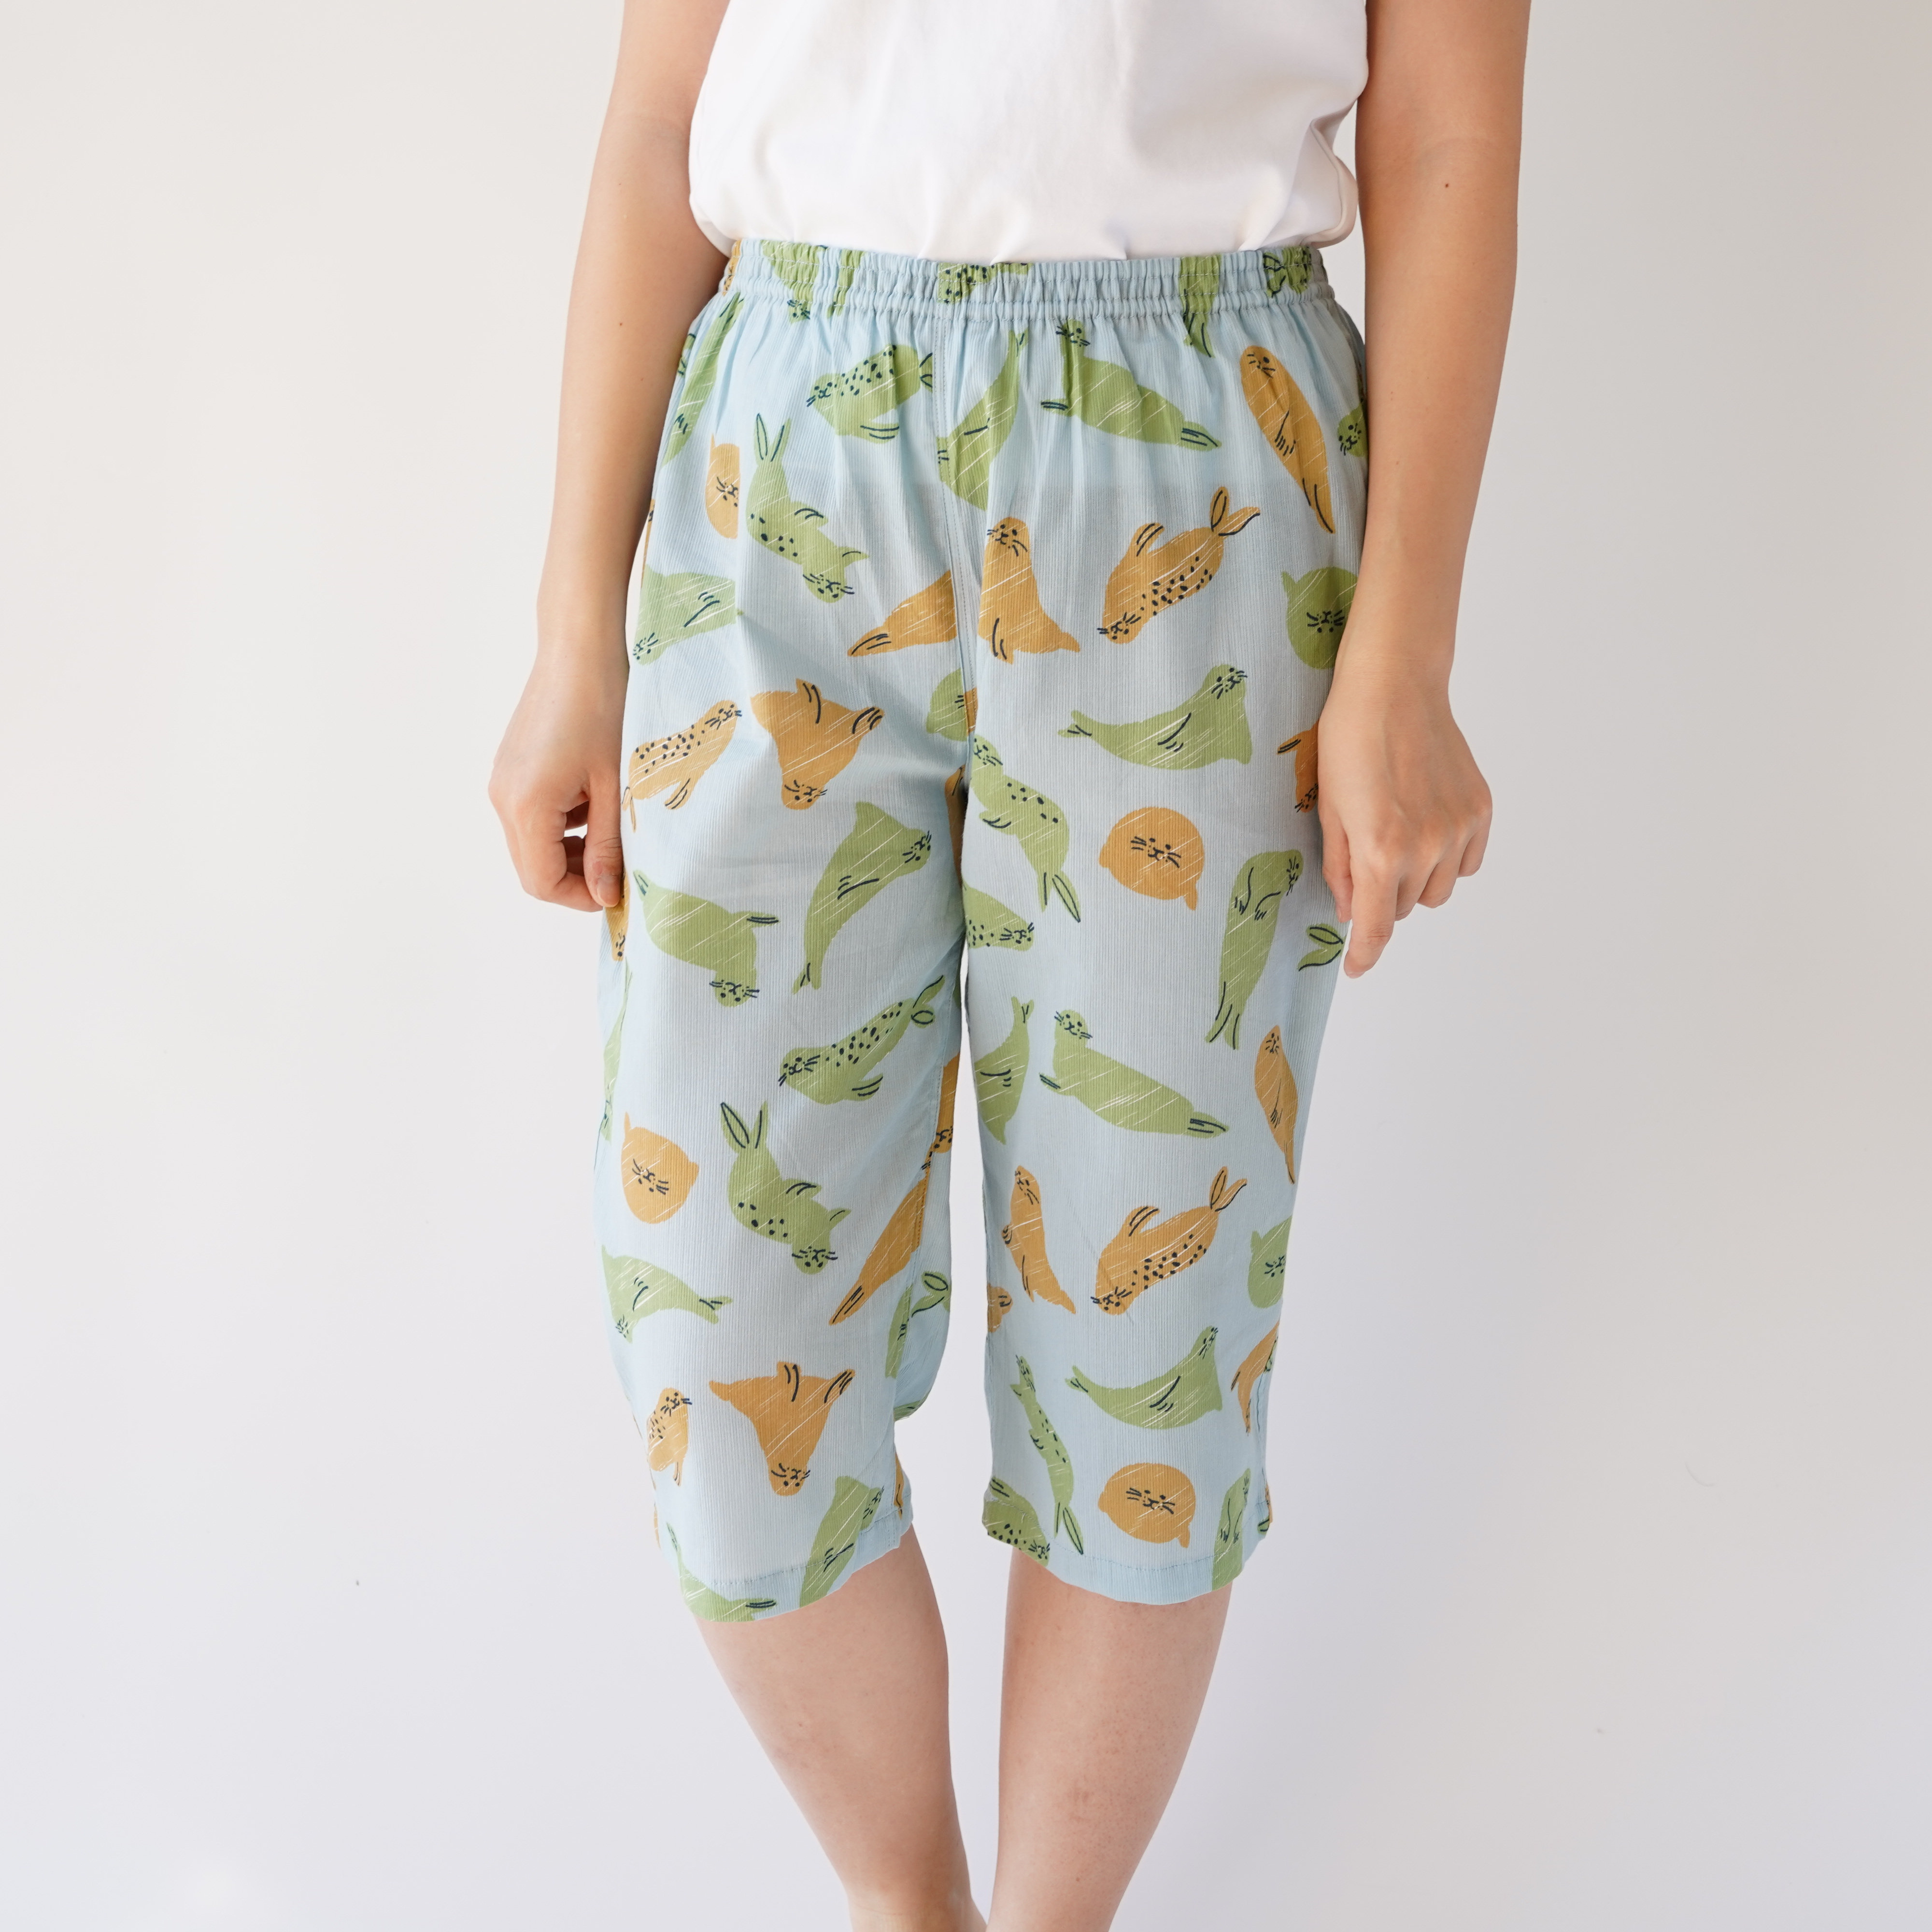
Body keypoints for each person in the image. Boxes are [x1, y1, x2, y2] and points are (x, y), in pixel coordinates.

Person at [489, 0, 1523, 1924]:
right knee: (717, 1328)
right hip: (780, 467)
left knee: (1146, 1348)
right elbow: (658, 123)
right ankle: (913, 1910)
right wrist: (572, 632)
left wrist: (1408, 647)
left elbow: (1448, 134)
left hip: (1204, 443)